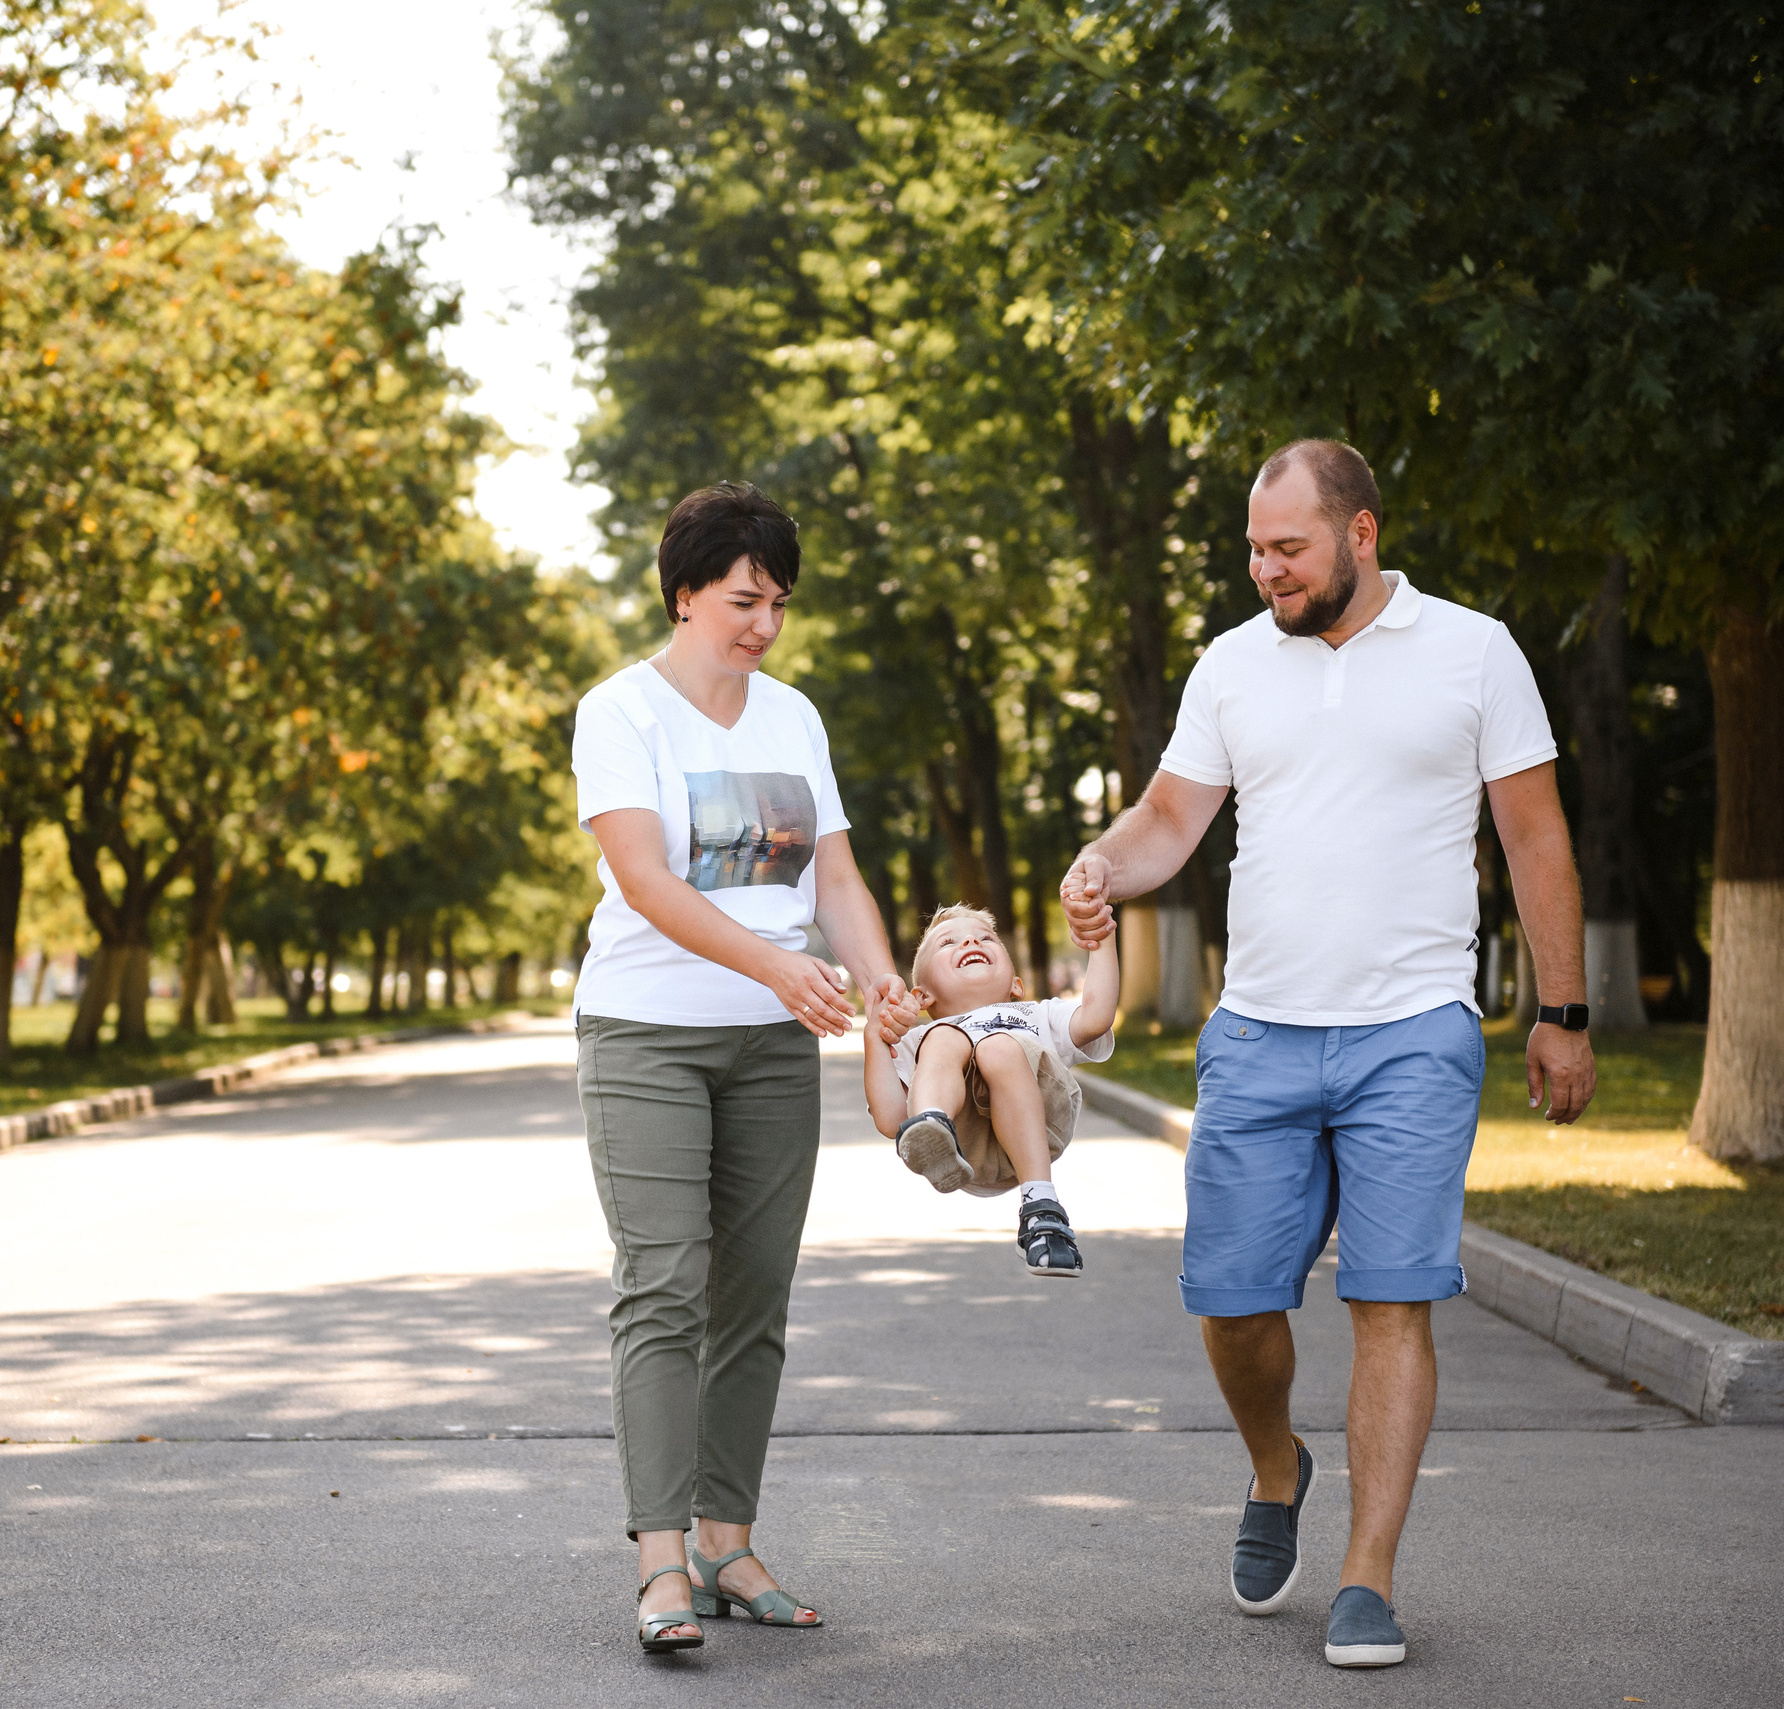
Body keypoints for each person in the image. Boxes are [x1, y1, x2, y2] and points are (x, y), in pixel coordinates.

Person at [1060, 439, 1597, 1670]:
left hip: (1414, 1029)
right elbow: (1168, 818)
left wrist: (1561, 1011)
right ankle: (1273, 1464)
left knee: (1387, 1298)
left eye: (1286, 548)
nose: (1265, 572)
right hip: (1257, 1030)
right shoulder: (1234, 664)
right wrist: (1102, 865)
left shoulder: (1473, 649)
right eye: (1253, 549)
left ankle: (1367, 1575)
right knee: (1234, 1302)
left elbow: (1533, 834)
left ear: (1360, 533)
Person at [569, 480, 909, 1656]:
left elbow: (837, 881)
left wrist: (879, 983)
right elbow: (648, 880)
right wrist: (776, 964)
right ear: (684, 593)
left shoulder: (793, 718)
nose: (761, 624)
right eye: (741, 598)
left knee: (752, 1297)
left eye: (776, 604)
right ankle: (661, 1560)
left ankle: (727, 1538)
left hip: (773, 1042)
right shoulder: (620, 711)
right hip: (646, 1033)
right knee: (663, 1287)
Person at [862, 903, 1119, 1277]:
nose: (969, 940)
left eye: (985, 938)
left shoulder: (1037, 1014)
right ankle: (932, 1128)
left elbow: (1096, 1018)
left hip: (1039, 1126)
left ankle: (1041, 1207)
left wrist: (1102, 940)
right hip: (969, 1146)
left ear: (1016, 984)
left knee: (997, 1045)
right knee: (944, 1037)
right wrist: (875, 1036)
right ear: (922, 997)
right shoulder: (919, 1039)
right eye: (948, 943)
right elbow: (889, 1119)